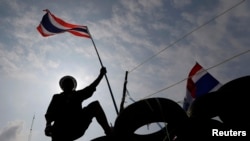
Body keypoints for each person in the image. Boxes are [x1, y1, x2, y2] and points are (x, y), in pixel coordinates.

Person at [44, 67, 112, 141]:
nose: (68, 84)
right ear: (62, 86)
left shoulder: (78, 95)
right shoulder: (57, 97)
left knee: (95, 105)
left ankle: (109, 132)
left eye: (70, 83)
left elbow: (91, 87)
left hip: (76, 125)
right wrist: (48, 125)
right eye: (65, 83)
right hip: (60, 129)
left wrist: (101, 75)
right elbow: (49, 113)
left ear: (73, 86)